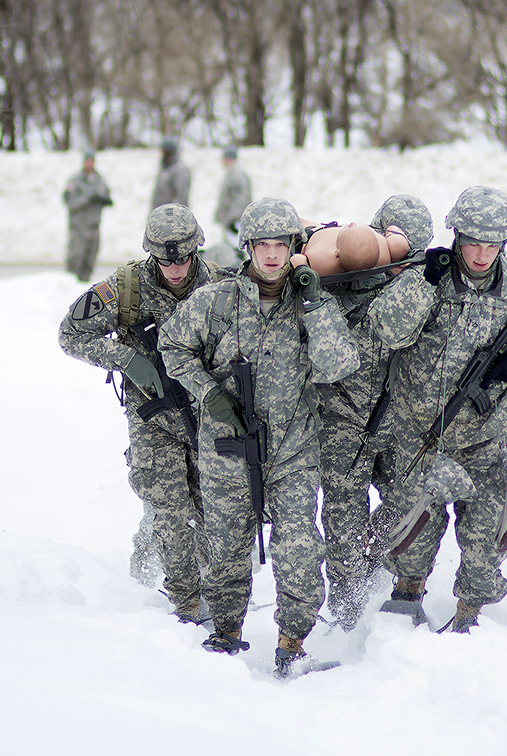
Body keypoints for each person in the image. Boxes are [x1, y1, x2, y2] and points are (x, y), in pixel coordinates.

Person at [158, 197, 359, 677]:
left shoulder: (311, 301)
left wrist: (313, 303)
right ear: (248, 247)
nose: (270, 255)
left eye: (280, 245)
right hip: (228, 445)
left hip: (292, 444)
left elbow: (339, 364)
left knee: (299, 545)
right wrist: (210, 395)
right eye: (261, 245)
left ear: (293, 247)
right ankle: (226, 634)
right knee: (226, 544)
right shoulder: (216, 300)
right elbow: (172, 345)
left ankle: (293, 641)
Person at [366, 186, 507, 632]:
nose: (482, 255)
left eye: (492, 244)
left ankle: (468, 619)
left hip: (486, 437)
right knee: (412, 536)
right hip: (422, 437)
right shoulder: (427, 276)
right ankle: (406, 602)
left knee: (486, 543)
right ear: (456, 237)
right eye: (473, 243)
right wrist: (422, 282)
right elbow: (387, 330)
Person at [58, 204, 224, 624]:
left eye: (182, 258)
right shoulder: (126, 287)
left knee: (210, 509)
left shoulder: (221, 284)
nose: (173, 268)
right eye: (164, 259)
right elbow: (70, 333)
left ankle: (212, 585)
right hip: (153, 419)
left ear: (196, 251)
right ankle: (186, 600)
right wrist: (126, 359)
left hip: (207, 416)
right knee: (169, 509)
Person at [303, 195, 433, 631]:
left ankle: (376, 559)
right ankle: (346, 618)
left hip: (397, 425)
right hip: (341, 427)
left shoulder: (419, 290)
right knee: (341, 526)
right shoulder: (338, 277)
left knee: (410, 505)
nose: (400, 266)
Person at [62, 150, 113, 282]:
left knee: (90, 260)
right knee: (75, 259)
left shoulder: (99, 180)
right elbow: (70, 202)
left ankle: (84, 285)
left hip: (94, 226)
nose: (90, 164)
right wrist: (87, 199)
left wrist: (104, 200)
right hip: (79, 227)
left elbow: (107, 195)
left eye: (92, 161)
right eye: (87, 161)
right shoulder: (75, 181)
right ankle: (70, 286)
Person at [212, 146, 252, 242]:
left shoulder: (237, 175)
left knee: (235, 248)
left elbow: (241, 198)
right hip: (230, 219)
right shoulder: (231, 173)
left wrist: (234, 218)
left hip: (235, 222)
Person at [150, 136, 191, 210]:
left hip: (172, 217)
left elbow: (181, 197)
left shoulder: (180, 170)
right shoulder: (164, 168)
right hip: (160, 216)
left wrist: (171, 216)